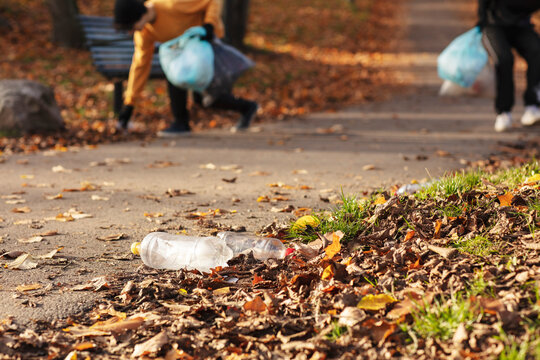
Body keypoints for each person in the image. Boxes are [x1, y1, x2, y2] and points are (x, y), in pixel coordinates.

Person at [114, 0, 258, 137]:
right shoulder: (144, 32)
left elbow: (212, 1)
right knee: (175, 74)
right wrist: (129, 104)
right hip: (183, 54)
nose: (130, 32)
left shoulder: (172, 4)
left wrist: (209, 24)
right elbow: (140, 65)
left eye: (130, 27)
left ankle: (247, 107)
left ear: (140, 15)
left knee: (207, 99)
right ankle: (181, 122)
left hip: (206, 43)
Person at [477, 0, 540, 132]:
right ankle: (504, 112)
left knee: (537, 53)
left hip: (521, 25)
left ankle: (533, 106)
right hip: (493, 24)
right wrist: (483, 21)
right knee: (504, 60)